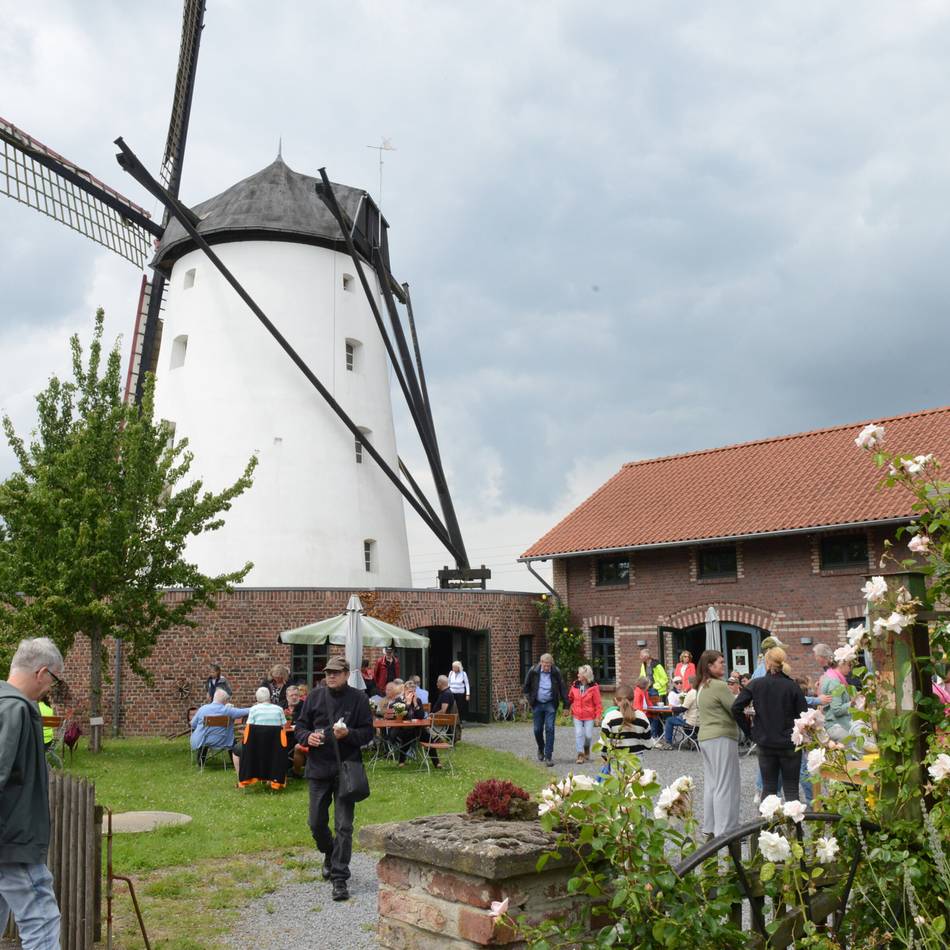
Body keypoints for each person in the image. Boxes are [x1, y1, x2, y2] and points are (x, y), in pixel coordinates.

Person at [0, 637, 65, 948]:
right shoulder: (15, 709)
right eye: (54, 679)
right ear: (42, 673)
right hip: (14, 841)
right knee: (41, 921)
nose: (50, 689)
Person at [295, 656, 373, 902]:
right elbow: (299, 726)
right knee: (316, 822)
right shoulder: (315, 697)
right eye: (328, 672)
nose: (331, 676)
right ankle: (329, 852)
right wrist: (307, 737)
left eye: (336, 672)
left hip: (346, 769)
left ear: (347, 674)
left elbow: (368, 733)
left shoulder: (359, 698)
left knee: (344, 826)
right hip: (318, 768)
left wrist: (348, 734)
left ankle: (340, 878)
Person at [732, 647, 808, 804]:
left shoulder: (756, 684)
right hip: (790, 743)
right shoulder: (792, 686)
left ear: (766, 663)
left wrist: (750, 732)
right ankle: (795, 826)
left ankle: (768, 826)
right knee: (791, 789)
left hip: (765, 742)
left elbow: (736, 707)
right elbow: (804, 716)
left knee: (769, 788)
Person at [696, 649, 741, 838]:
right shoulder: (719, 686)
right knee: (726, 784)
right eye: (720, 662)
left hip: (705, 737)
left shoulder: (701, 686)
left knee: (713, 784)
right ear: (709, 665)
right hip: (721, 736)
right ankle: (726, 831)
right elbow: (735, 709)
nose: (723, 665)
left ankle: (711, 827)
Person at [523, 653, 570, 767]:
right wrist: (530, 700)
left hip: (550, 703)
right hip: (537, 703)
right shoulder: (533, 671)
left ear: (551, 664)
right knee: (537, 729)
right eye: (544, 665)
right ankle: (541, 747)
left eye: (548, 665)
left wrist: (566, 706)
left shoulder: (555, 672)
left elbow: (562, 688)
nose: (546, 667)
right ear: (541, 663)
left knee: (550, 728)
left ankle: (548, 756)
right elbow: (526, 687)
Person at [190, 688, 251, 769]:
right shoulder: (228, 710)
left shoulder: (203, 709)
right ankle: (234, 762)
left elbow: (193, 724)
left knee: (204, 737)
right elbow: (244, 711)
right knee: (232, 740)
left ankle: (201, 762)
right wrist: (257, 707)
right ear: (225, 701)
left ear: (214, 698)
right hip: (223, 741)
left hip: (203, 740)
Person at [600, 685, 653, 758]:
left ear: (615, 700)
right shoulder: (642, 716)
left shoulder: (609, 717)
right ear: (633, 699)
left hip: (616, 761)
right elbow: (649, 745)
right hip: (636, 761)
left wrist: (606, 759)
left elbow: (604, 745)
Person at [567, 665, 602, 764]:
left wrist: (598, 717)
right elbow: (570, 697)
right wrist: (567, 707)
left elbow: (598, 704)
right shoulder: (575, 685)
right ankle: (580, 754)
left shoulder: (594, 687)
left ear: (586, 676)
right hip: (577, 715)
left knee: (588, 736)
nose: (578, 675)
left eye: (580, 673)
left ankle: (586, 748)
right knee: (578, 733)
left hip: (589, 716)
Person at [656, 674, 699, 749]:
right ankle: (692, 739)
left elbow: (683, 708)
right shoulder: (700, 692)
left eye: (681, 682)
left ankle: (668, 743)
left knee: (669, 720)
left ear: (690, 683)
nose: (679, 684)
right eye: (677, 683)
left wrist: (672, 708)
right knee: (678, 717)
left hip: (691, 721)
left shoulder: (691, 693)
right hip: (699, 720)